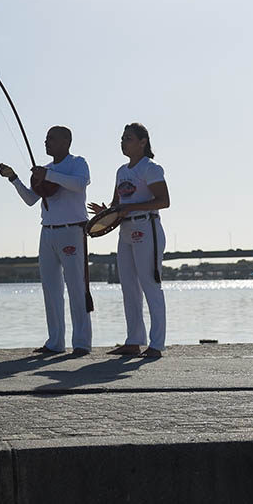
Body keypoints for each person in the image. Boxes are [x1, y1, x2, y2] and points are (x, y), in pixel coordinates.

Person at [0, 126, 92, 356]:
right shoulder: (44, 169)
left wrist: (48, 175)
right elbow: (31, 199)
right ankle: (55, 342)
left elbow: (78, 184)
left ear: (66, 141)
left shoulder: (77, 163)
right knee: (50, 289)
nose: (46, 142)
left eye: (51, 138)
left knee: (77, 288)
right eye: (46, 139)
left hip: (72, 231)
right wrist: (14, 179)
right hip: (47, 231)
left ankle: (81, 343)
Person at [88, 123, 170, 358]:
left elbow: (163, 201)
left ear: (143, 142)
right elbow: (118, 204)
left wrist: (130, 208)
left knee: (151, 285)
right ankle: (134, 340)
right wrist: (107, 211)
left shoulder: (151, 168)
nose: (123, 142)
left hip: (147, 227)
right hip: (125, 231)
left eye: (128, 138)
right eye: (122, 138)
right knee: (129, 288)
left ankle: (157, 344)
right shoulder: (121, 171)